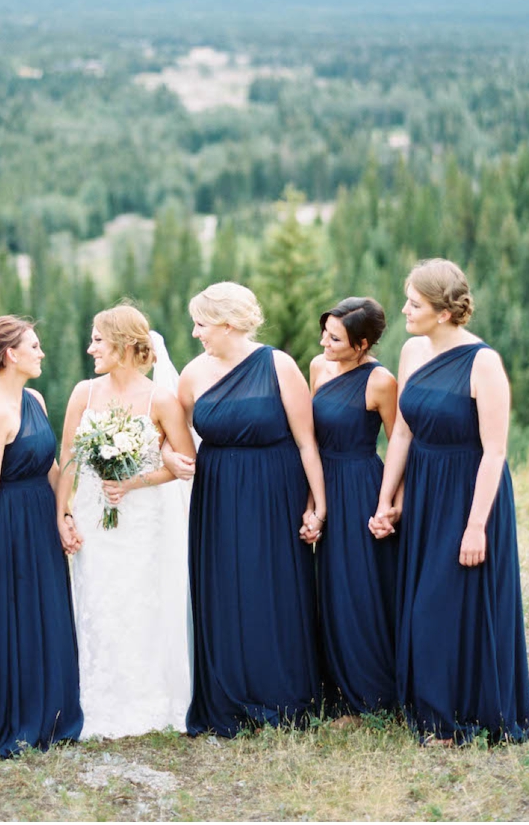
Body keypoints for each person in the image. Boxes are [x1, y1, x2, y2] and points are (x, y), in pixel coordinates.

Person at [369, 259, 529, 745]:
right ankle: (432, 709)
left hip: (469, 491)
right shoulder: (411, 351)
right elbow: (402, 429)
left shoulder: (483, 362)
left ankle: (455, 718)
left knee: (445, 605)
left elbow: (496, 451)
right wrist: (388, 502)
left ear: (444, 312)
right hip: (423, 488)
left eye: (414, 303)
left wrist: (475, 526)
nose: (404, 309)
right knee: (422, 600)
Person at [176, 281, 325, 737]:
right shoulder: (192, 374)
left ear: (227, 323)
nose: (196, 333)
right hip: (217, 493)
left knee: (274, 586)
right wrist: (169, 457)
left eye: (201, 324)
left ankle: (281, 693)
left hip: (275, 489)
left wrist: (317, 505)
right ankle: (228, 695)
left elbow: (306, 441)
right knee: (224, 588)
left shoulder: (278, 365)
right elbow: (170, 433)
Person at [56, 305, 195, 739]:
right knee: (96, 596)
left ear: (122, 343)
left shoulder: (161, 398)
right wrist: (62, 513)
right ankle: (93, 694)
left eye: (98, 339)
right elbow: (69, 458)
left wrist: (133, 482)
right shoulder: (84, 393)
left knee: (139, 599)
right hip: (93, 515)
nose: (90, 347)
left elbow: (185, 463)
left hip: (143, 518)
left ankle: (144, 696)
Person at [0, 316, 82, 758]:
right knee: (15, 617)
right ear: (11, 354)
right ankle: (17, 718)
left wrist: (64, 514)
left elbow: (50, 466)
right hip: (10, 525)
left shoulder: (33, 398)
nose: (41, 352)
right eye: (33, 346)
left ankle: (55, 713)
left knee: (50, 612)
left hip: (41, 515)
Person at [311, 296, 398, 722]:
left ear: (362, 345)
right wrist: (310, 501)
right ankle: (334, 688)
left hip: (360, 486)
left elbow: (400, 444)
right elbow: (308, 439)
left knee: (356, 590)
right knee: (324, 589)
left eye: (335, 337)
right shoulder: (317, 367)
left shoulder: (380, 381)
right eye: (325, 332)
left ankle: (371, 693)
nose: (324, 342)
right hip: (320, 478)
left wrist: (392, 507)